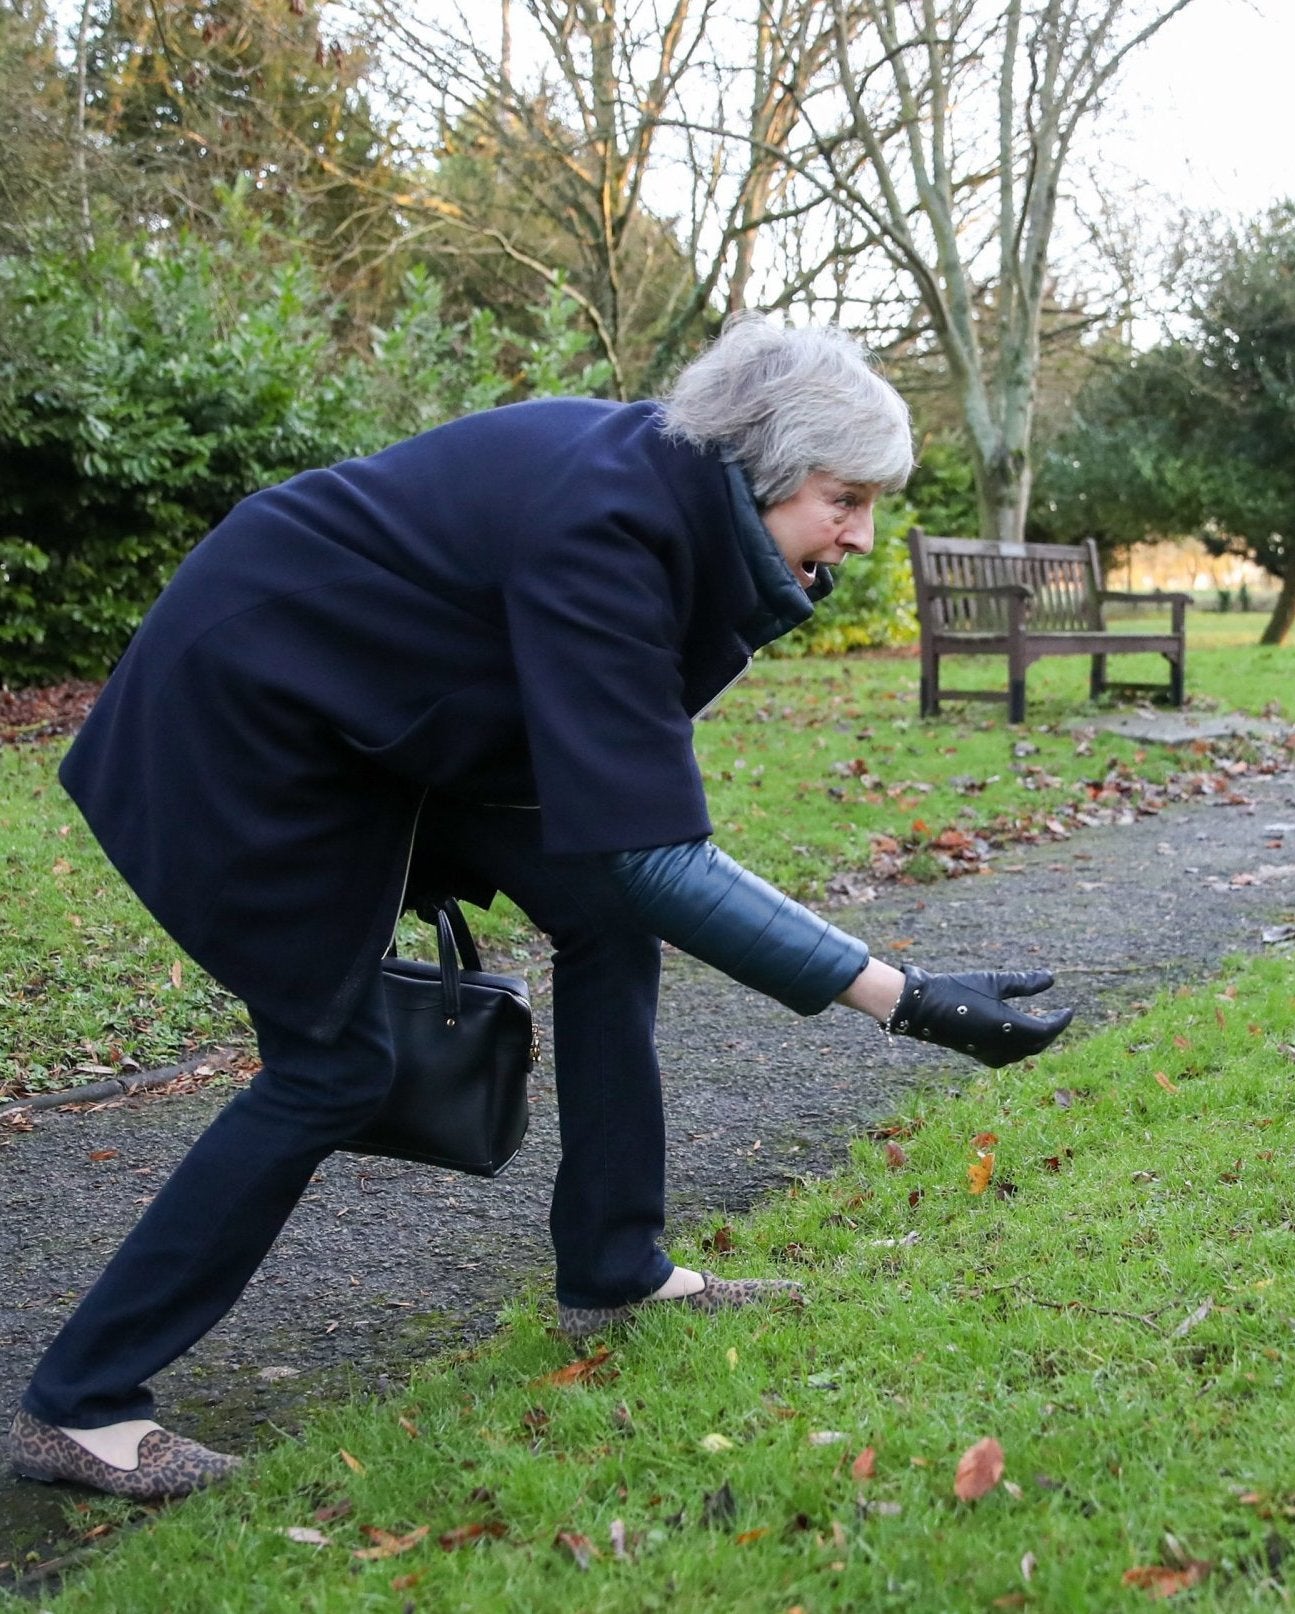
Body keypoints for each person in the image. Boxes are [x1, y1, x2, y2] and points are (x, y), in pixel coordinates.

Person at [7, 314, 1073, 1502]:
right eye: (845, 499)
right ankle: (81, 1406)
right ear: (763, 465)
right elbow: (659, 854)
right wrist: (905, 1000)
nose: (862, 535)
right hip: (247, 726)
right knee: (333, 1068)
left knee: (606, 919)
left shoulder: (665, 498)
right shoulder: (606, 524)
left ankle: (615, 1269)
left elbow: (629, 824)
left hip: (398, 718)